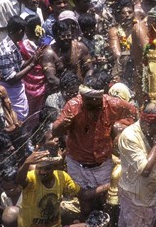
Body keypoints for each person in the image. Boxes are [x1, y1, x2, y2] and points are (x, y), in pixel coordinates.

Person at [52, 75, 136, 212]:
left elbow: (133, 112)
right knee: (83, 205)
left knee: (108, 202)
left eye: (90, 101)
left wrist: (121, 129)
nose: (85, 103)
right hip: (77, 164)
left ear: (100, 98)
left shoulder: (114, 105)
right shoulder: (73, 106)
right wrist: (63, 125)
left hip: (102, 164)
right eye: (84, 99)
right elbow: (55, 131)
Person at [117, 102, 156, 227]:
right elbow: (145, 171)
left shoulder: (153, 131)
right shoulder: (130, 137)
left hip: (155, 195)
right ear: (147, 124)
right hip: (136, 198)